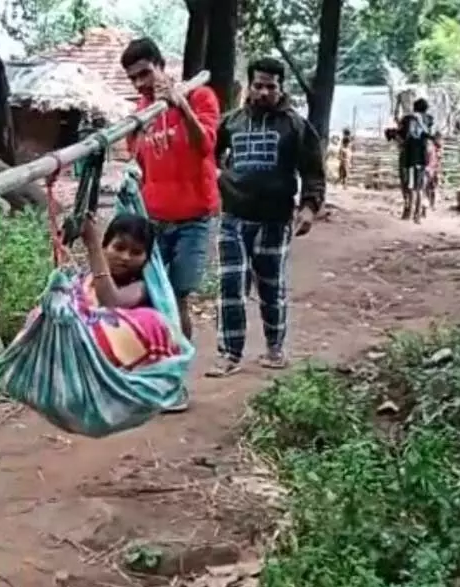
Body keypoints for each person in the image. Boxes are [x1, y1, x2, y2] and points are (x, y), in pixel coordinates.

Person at [207, 56, 325, 378]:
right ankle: (229, 353)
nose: (263, 92)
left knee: (271, 285)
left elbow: (313, 171)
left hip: (275, 220)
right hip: (233, 217)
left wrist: (310, 208)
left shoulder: (295, 126)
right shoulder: (231, 123)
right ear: (249, 85)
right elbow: (208, 154)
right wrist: (219, 178)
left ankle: (275, 348)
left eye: (270, 87)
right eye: (257, 85)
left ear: (281, 88)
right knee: (231, 283)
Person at [122, 37, 220, 411]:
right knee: (149, 297)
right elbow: (139, 167)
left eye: (145, 73)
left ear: (162, 66)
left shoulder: (200, 97)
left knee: (177, 296)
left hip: (194, 217)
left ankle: (175, 383)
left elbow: (205, 145)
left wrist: (180, 106)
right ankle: (152, 376)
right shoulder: (140, 116)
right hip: (154, 221)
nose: (140, 84)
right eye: (133, 78)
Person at [75, 213, 180, 369]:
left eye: (136, 253)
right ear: (105, 247)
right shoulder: (85, 280)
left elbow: (110, 304)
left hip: (123, 371)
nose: (125, 257)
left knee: (150, 319)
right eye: (119, 248)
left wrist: (92, 245)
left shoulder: (144, 287)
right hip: (81, 357)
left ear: (146, 258)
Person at [396, 97, 435, 223]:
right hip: (425, 156)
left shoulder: (408, 119)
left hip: (410, 156)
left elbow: (401, 135)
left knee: (410, 186)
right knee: (421, 186)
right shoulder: (428, 120)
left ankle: (410, 212)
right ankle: (419, 213)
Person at [423, 131, 443, 214]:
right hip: (429, 170)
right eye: (440, 139)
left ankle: (432, 204)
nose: (441, 141)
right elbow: (427, 159)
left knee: (434, 188)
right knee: (427, 188)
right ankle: (426, 206)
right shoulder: (430, 147)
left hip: (435, 171)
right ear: (435, 139)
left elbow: (439, 162)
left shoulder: (438, 149)